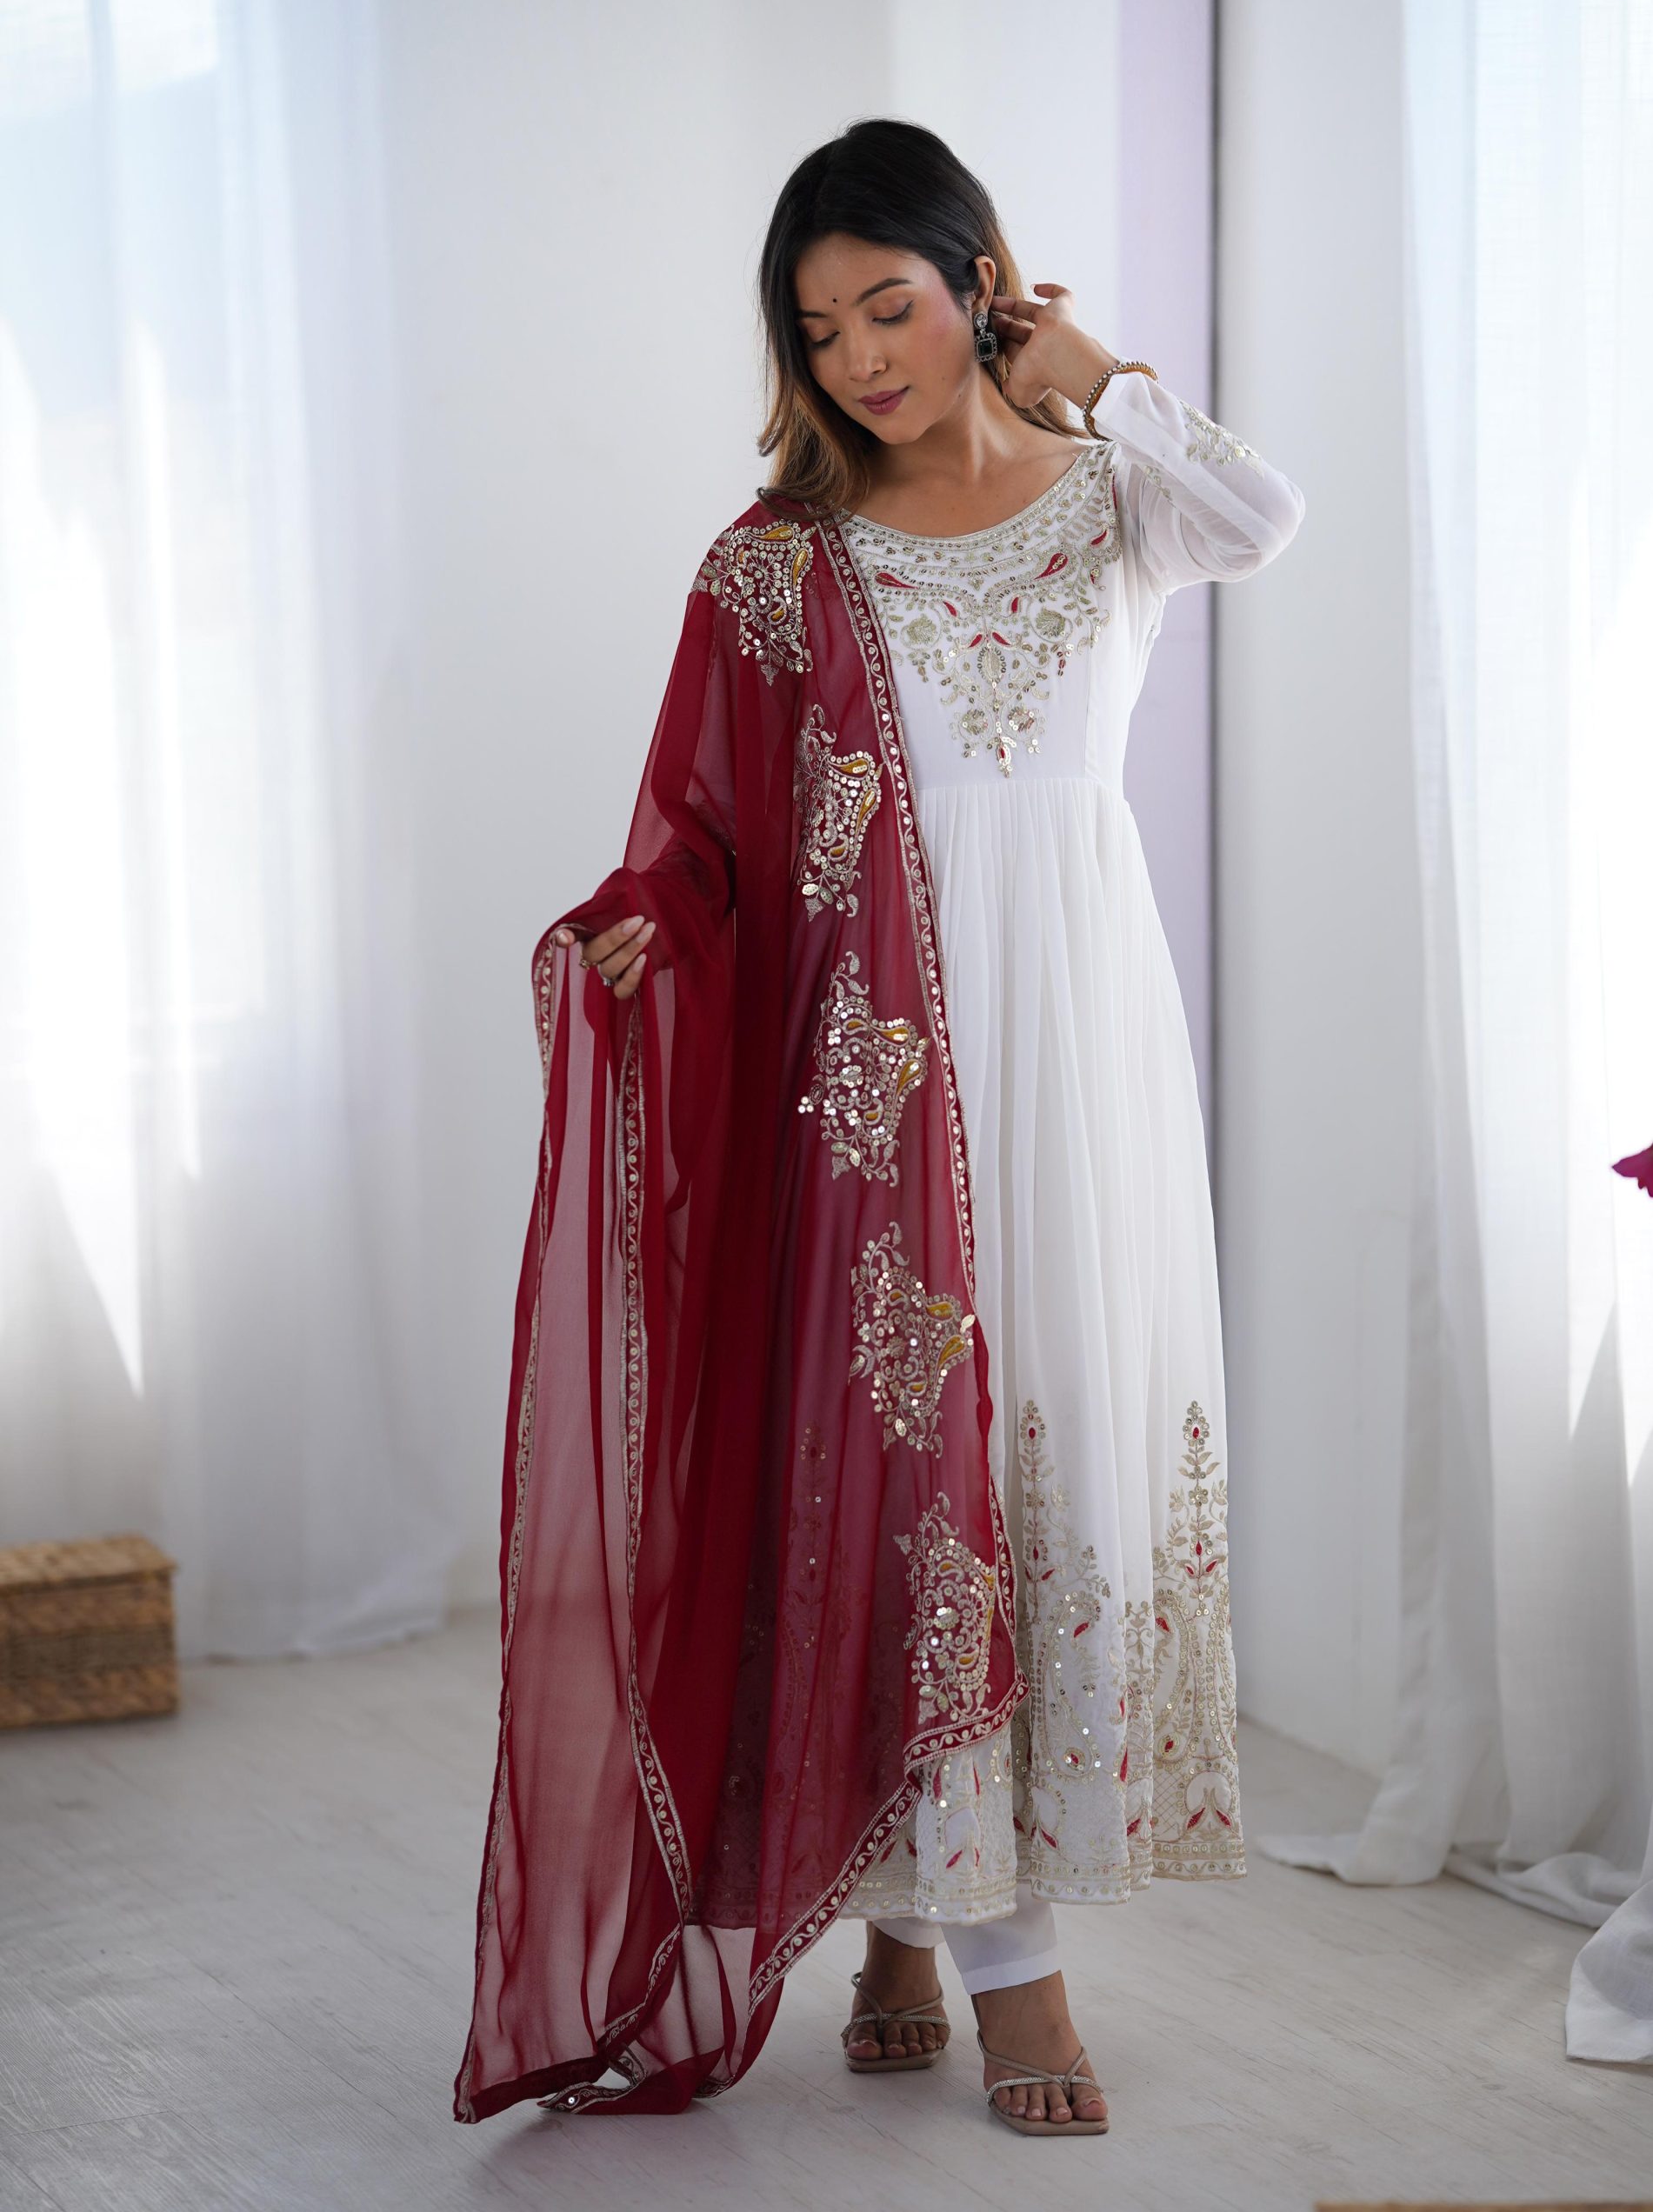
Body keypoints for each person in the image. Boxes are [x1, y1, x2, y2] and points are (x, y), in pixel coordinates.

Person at [452, 118, 1303, 2140]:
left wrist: (1096, 375)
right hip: (875, 1090)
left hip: (1080, 1056)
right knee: (916, 1478)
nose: (858, 360)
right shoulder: (778, 564)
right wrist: (646, 924)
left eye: (890, 307)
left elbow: (1262, 515)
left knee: (1045, 1448)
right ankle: (1012, 1968)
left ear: (976, 280)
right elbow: (709, 832)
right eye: (819, 329)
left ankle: (911, 1921)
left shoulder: (1110, 502)